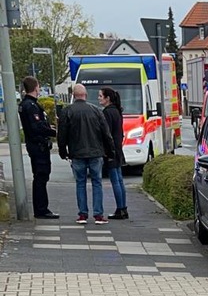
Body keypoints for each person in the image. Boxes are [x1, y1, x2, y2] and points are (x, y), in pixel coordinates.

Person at [57, 83, 114, 223]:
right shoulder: (96, 111)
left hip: (77, 153)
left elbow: (62, 134)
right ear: (86, 95)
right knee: (97, 183)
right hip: (96, 152)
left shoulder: (67, 111)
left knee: (80, 183)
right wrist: (110, 151)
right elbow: (106, 133)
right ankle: (98, 215)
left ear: (73, 95)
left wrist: (63, 151)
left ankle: (82, 214)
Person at [18, 76, 59, 219]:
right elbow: (37, 127)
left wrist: (48, 127)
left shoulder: (28, 104)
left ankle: (41, 208)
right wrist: (54, 132)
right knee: (41, 177)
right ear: (36, 87)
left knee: (40, 177)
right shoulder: (31, 106)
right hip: (38, 146)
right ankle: (41, 210)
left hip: (36, 145)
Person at [98, 87, 128, 219]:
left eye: (100, 96)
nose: (98, 98)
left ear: (107, 98)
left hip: (111, 150)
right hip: (118, 148)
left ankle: (120, 209)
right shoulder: (116, 111)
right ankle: (123, 208)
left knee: (115, 180)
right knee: (119, 180)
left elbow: (106, 133)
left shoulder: (107, 113)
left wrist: (106, 151)